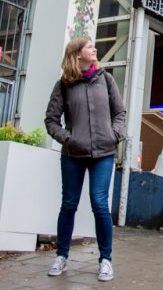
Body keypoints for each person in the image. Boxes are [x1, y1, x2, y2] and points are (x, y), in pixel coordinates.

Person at [44, 37, 126, 283]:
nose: (95, 49)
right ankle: (61, 255)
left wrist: (116, 134)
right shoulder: (64, 85)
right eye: (90, 47)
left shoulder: (106, 80)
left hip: (104, 153)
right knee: (69, 204)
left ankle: (106, 260)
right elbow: (51, 120)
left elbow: (119, 112)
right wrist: (68, 139)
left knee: (100, 204)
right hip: (73, 155)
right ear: (78, 54)